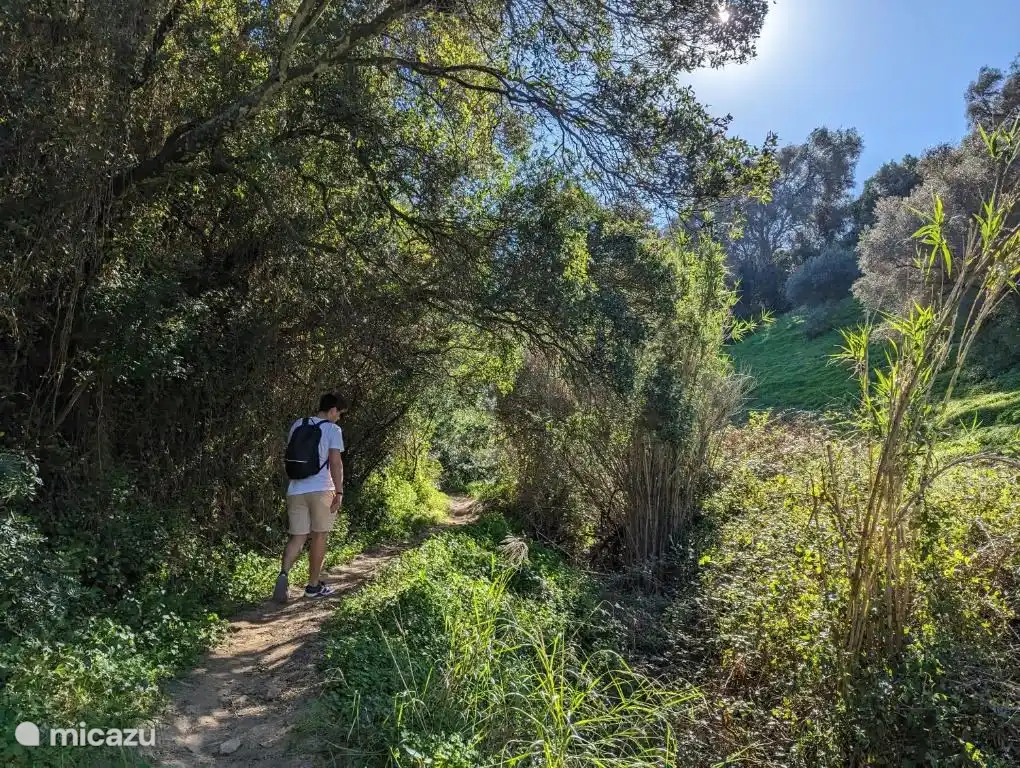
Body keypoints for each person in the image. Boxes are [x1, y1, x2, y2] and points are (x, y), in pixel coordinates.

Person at [272, 393, 347, 602]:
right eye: (339, 414)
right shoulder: (333, 429)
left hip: (295, 489)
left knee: (298, 537)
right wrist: (339, 492)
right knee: (319, 535)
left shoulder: (299, 424)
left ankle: (284, 574)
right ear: (333, 410)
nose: (339, 418)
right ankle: (313, 586)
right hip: (321, 489)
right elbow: (335, 463)